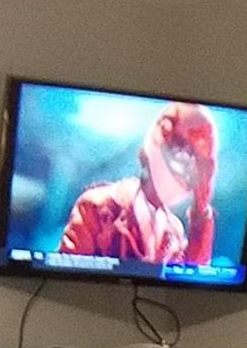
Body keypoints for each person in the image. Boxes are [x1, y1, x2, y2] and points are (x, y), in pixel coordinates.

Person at [57, 103, 217, 270]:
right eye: (183, 149)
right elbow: (66, 270)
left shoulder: (174, 229)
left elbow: (192, 278)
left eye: (199, 161)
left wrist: (202, 210)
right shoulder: (95, 205)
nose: (189, 168)